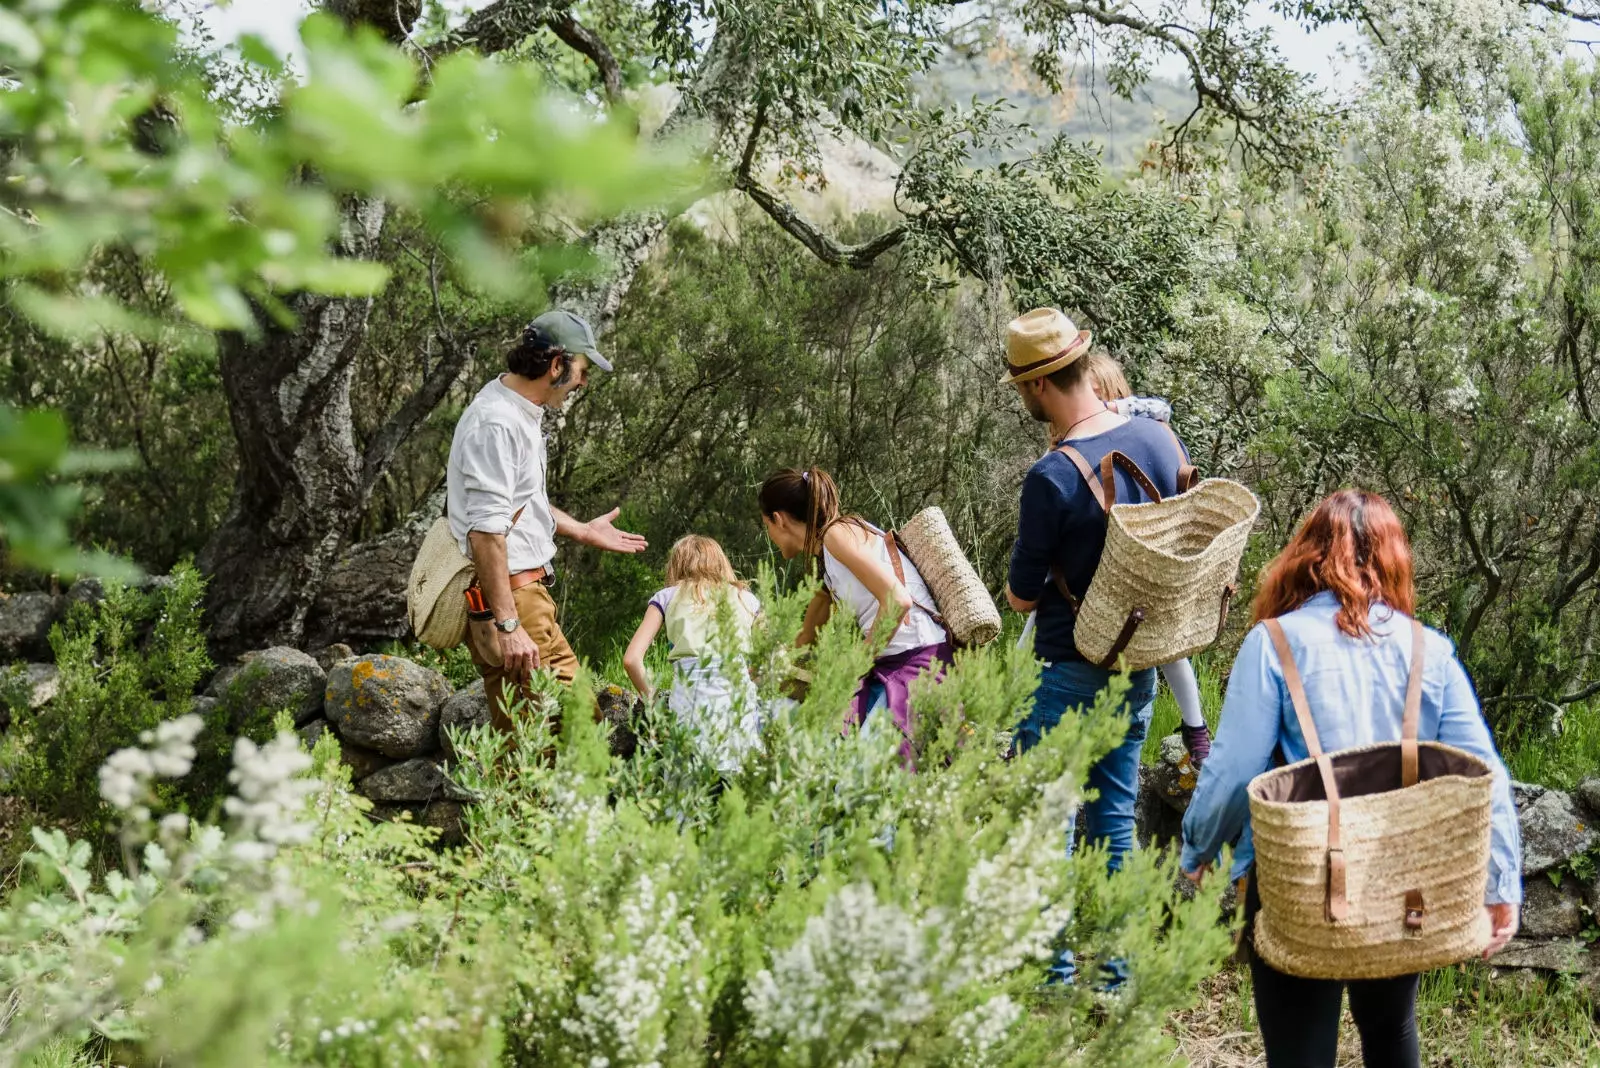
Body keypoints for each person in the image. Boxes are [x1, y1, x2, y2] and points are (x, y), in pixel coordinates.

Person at [1180, 490, 1522, 1068]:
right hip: (1401, 882)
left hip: (1297, 881)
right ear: (1393, 561)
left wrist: (1200, 845)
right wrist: (1501, 885)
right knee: (1391, 1032)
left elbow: (1235, 767)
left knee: (1300, 1051)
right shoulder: (1428, 652)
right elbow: (1488, 776)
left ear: (1303, 557)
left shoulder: (1274, 643)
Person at [1003, 308, 1192, 868]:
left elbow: (1020, 597)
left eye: (1022, 387)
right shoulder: (1159, 437)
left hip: (1066, 669)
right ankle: (1119, 958)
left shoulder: (1052, 475)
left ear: (1038, 383)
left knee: (1045, 834)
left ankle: (1056, 961)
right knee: (1115, 823)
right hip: (1136, 667)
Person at [446, 309, 648, 735]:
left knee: (551, 736)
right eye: (581, 370)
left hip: (526, 599)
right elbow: (485, 532)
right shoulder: (497, 423)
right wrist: (509, 626)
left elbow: (522, 501)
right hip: (515, 603)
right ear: (556, 365)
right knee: (555, 738)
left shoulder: (515, 409)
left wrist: (583, 530)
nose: (583, 382)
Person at [757, 466, 952, 760]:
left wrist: (855, 665)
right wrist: (758, 671)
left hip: (919, 663)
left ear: (778, 519)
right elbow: (806, 639)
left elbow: (898, 601)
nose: (769, 536)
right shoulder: (827, 562)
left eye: (766, 527)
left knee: (861, 781)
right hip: (893, 667)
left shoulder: (837, 536)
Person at [1084, 351, 1211, 766]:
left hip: (1139, 550)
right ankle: (1196, 728)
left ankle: (1196, 727)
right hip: (1151, 549)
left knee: (1168, 644)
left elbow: (1161, 407)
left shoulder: (1139, 421)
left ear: (1099, 389)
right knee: (1168, 643)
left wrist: (1105, 407)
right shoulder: (1141, 433)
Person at [623, 535, 764, 772]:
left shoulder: (666, 597)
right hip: (738, 708)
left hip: (689, 705)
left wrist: (656, 704)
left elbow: (631, 660)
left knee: (688, 792)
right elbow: (777, 657)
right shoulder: (746, 599)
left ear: (677, 565)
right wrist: (752, 679)